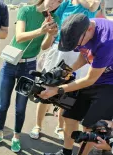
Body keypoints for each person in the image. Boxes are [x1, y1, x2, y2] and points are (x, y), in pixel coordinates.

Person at [40, 14, 113, 155]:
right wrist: (68, 71)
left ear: (89, 30)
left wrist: (58, 90)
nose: (77, 45)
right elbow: (84, 54)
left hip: (109, 84)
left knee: (90, 126)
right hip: (94, 77)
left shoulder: (107, 41)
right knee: (68, 115)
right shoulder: (79, 30)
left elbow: (90, 80)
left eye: (77, 42)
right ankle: (66, 153)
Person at [0, 0, 61, 152]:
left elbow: (44, 46)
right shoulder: (26, 11)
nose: (54, 4)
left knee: (21, 107)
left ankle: (16, 137)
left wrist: (50, 34)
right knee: (3, 104)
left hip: (29, 67)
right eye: (52, 0)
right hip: (10, 63)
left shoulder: (55, 19)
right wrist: (41, 30)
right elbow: (19, 37)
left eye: (58, 1)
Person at [29, 0, 100, 141]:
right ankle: (38, 125)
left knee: (68, 91)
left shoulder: (90, 3)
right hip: (59, 48)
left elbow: (93, 6)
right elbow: (51, 12)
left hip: (78, 52)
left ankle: (60, 127)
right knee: (46, 86)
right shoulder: (66, 3)